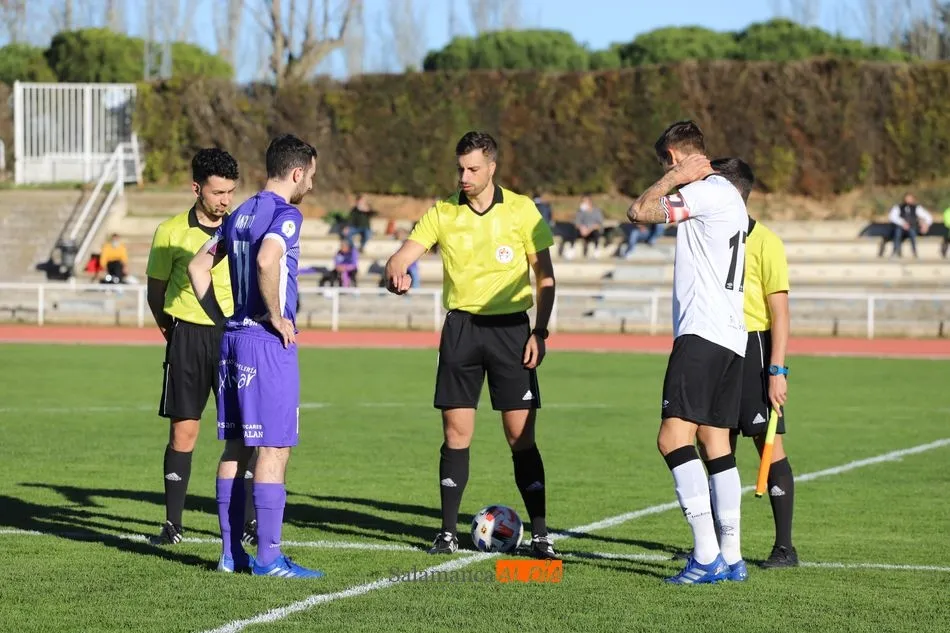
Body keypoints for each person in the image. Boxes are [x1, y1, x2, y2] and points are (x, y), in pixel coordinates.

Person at [383, 131, 559, 559]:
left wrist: (540, 331)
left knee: (520, 437)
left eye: (473, 169)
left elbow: (545, 277)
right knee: (455, 433)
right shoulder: (442, 212)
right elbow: (399, 257)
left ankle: (540, 535)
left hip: (512, 333)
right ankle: (446, 532)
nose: (464, 176)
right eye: (460, 168)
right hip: (461, 330)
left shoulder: (521, 209)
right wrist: (397, 273)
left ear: (492, 168)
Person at [188, 134, 322, 577]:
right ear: (298, 172)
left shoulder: (240, 211)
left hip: (233, 338)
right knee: (275, 447)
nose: (311, 185)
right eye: (312, 176)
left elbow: (197, 266)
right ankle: (268, 559)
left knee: (236, 446)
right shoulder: (286, 214)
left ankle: (230, 555)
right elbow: (268, 260)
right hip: (267, 343)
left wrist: (221, 315)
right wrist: (275, 315)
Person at [626, 120, 749, 584]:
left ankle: (705, 555)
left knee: (672, 439)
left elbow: (639, 211)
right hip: (731, 337)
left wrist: (671, 180)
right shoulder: (731, 197)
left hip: (702, 333)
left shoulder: (704, 192)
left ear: (675, 157)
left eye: (666, 163)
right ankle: (732, 557)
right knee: (716, 444)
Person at [145, 148, 258, 546]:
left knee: (246, 433)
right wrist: (172, 333)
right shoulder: (170, 231)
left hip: (234, 339)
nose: (225, 200)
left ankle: (247, 523)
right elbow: (155, 292)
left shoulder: (244, 228)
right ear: (197, 188)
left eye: (230, 192)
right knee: (184, 432)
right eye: (217, 192)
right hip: (188, 337)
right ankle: (173, 524)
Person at [710, 157, 798, 568]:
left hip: (752, 348)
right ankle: (720, 548)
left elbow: (779, 311)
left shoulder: (767, 242)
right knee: (713, 443)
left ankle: (784, 548)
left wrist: (776, 370)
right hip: (713, 344)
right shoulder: (707, 235)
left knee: (769, 443)